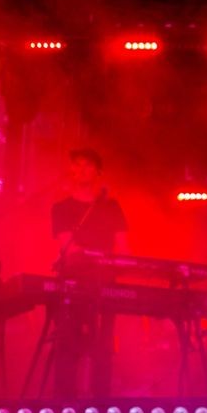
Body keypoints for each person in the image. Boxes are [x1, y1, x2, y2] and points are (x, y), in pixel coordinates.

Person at [49, 147, 128, 398]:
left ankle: (100, 405)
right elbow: (67, 246)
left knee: (103, 347)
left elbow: (124, 248)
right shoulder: (61, 208)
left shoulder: (112, 207)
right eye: (77, 164)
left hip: (105, 283)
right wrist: (91, 258)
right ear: (71, 171)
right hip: (73, 283)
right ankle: (63, 407)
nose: (82, 169)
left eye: (88, 165)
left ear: (98, 172)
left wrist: (113, 263)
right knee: (67, 344)